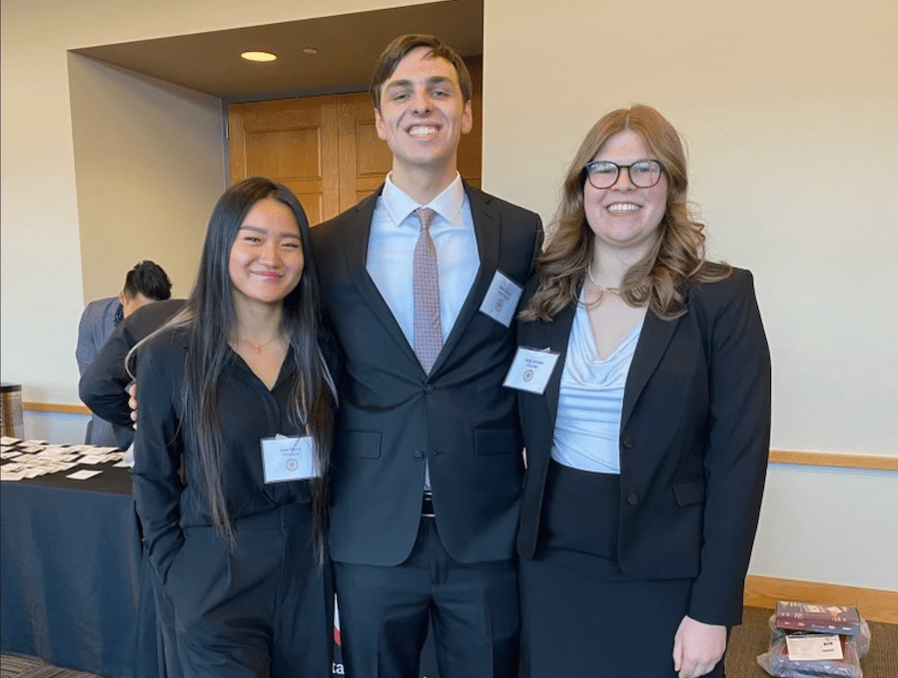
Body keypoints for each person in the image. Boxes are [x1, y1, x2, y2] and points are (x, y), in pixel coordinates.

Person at [310, 35, 543, 678]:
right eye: (402, 93)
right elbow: (302, 366)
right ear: (380, 121)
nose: (423, 105)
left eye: (440, 90)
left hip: (487, 525)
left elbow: (539, 353)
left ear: (466, 114)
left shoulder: (519, 234)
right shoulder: (328, 246)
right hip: (370, 526)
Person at [511, 104, 771, 678]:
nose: (622, 185)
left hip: (667, 570)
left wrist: (713, 610)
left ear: (670, 185)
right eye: (603, 169)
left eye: (644, 169)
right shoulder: (539, 300)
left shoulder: (720, 300)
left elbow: (739, 464)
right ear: (582, 187)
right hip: (551, 563)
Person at [131, 177, 337, 677]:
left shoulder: (324, 351)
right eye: (253, 239)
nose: (272, 256)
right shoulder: (169, 356)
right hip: (215, 573)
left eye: (289, 244)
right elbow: (152, 480)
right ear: (221, 244)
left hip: (310, 575)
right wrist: (179, 576)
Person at [76, 260, 172, 446]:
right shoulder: (94, 317)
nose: (146, 322)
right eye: (139, 314)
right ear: (123, 298)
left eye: (153, 314)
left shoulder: (173, 321)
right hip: (105, 431)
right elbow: (92, 380)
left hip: (154, 435)